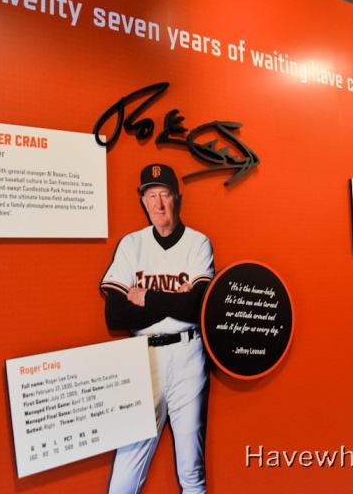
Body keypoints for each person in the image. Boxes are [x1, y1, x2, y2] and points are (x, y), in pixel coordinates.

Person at [100, 164, 214, 494]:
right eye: (151, 196)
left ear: (176, 199)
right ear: (143, 201)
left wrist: (146, 296)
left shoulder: (198, 243)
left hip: (188, 356)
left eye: (164, 194)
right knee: (123, 476)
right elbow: (115, 314)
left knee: (191, 469)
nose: (158, 204)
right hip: (142, 359)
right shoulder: (131, 244)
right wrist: (173, 301)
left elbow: (196, 307)